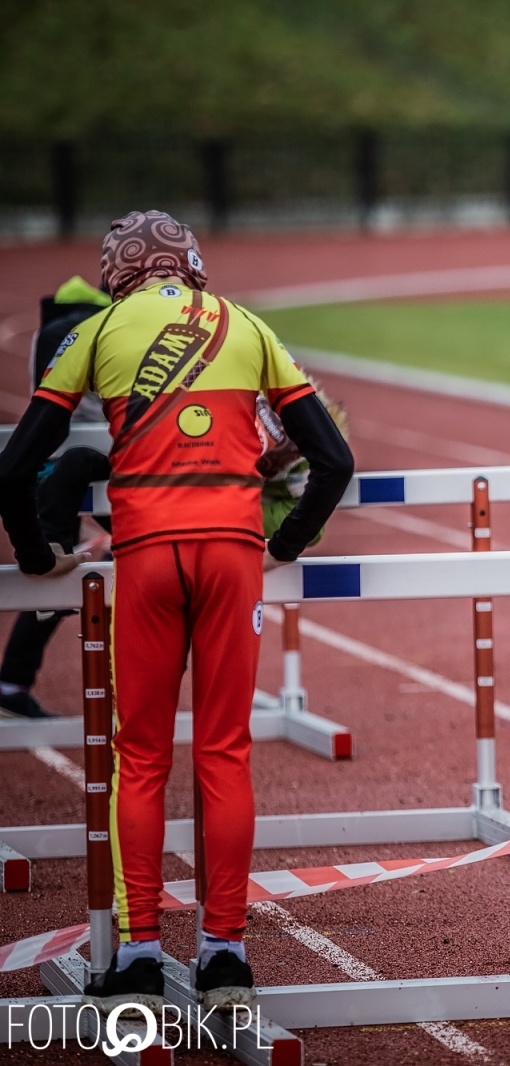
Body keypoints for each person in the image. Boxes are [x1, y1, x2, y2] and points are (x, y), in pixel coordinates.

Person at [0, 210, 355, 1010]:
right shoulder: (250, 326)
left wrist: (35, 558)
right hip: (232, 554)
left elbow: (15, 469)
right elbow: (333, 458)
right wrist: (288, 543)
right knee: (224, 753)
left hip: (145, 555)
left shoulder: (93, 331)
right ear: (191, 264)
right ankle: (225, 956)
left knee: (142, 754)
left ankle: (138, 955)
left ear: (117, 271)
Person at [0, 278, 113, 720]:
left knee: (58, 574)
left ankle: (12, 681)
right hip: (87, 463)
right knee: (144, 562)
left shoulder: (58, 323)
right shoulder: (91, 325)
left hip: (62, 462)